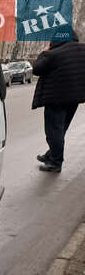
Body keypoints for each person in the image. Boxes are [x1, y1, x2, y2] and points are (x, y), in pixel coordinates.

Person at [32, 30, 85, 172]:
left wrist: (45, 52)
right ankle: (51, 155)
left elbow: (36, 69)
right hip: (74, 99)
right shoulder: (82, 50)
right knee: (61, 130)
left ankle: (55, 163)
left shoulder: (53, 54)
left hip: (55, 99)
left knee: (53, 131)